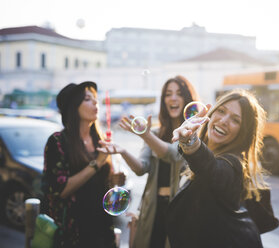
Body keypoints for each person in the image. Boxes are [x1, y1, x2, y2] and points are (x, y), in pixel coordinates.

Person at [101, 75, 199, 248]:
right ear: (163, 100)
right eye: (168, 94)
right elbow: (141, 168)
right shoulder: (155, 133)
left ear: (187, 98)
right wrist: (123, 151)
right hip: (152, 209)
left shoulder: (193, 134)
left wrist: (144, 134)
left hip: (181, 209)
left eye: (179, 93)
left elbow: (173, 155)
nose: (173, 98)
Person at [167, 89, 267, 248]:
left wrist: (191, 142)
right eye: (221, 111)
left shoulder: (233, 165)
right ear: (211, 113)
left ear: (243, 132)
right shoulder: (203, 157)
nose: (224, 120)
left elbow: (211, 169)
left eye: (235, 120)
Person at [41, 81, 123, 248]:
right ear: (73, 107)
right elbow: (60, 190)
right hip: (75, 232)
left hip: (102, 227)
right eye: (87, 99)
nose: (95, 102)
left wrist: (116, 181)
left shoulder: (99, 141)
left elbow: (104, 186)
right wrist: (97, 163)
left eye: (95, 99)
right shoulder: (58, 141)